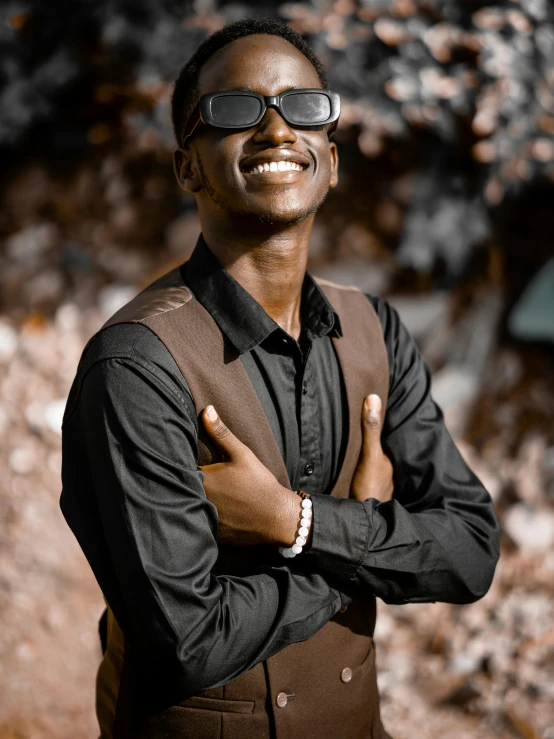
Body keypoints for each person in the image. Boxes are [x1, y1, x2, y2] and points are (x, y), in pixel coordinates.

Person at [60, 17, 500, 739]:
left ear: (331, 157)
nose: (275, 129)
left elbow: (471, 551)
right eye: (236, 109)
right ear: (187, 167)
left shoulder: (376, 330)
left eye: (303, 106)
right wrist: (362, 544)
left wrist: (296, 522)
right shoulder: (137, 367)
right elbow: (186, 642)